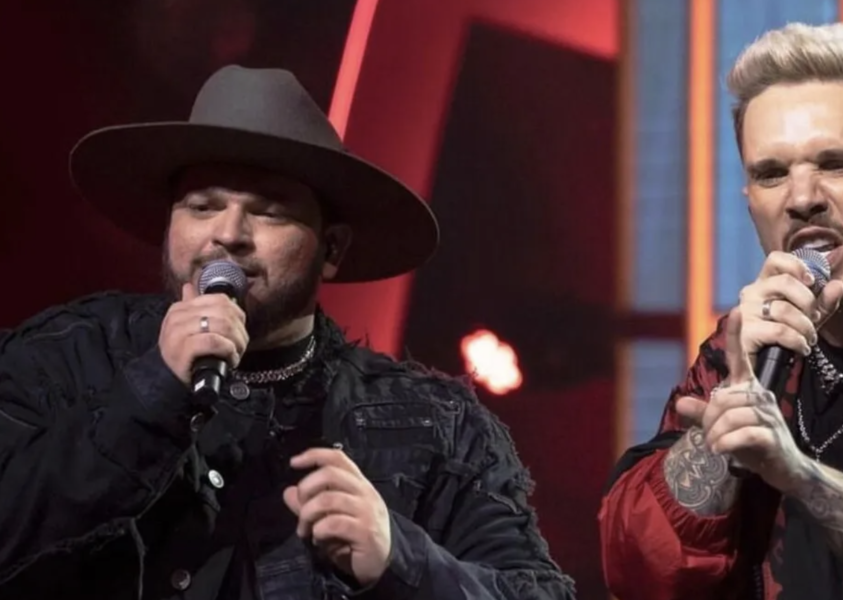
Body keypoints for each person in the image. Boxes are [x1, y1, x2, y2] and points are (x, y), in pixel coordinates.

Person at [0, 64, 575, 600]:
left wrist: (400, 558)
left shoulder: (437, 426)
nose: (228, 234)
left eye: (268, 211)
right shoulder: (69, 357)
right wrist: (150, 397)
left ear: (332, 249)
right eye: (202, 206)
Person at [600, 22, 843, 600]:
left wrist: (798, 475)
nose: (802, 198)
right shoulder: (741, 350)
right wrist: (721, 432)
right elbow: (635, 571)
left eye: (836, 164)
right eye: (771, 173)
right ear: (750, 201)